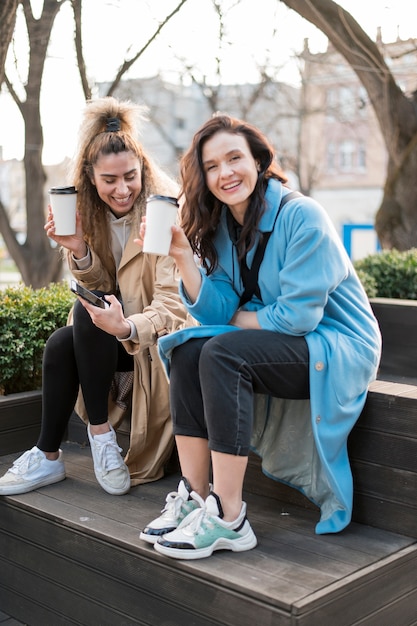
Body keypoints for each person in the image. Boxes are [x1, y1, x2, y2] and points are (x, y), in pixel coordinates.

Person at [136, 113, 382, 560]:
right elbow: (216, 310)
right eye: (212, 166)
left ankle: (230, 518)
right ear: (203, 178)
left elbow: (297, 318)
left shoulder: (302, 215)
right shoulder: (227, 229)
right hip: (285, 343)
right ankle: (195, 498)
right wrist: (183, 259)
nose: (225, 172)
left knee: (222, 351)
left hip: (335, 345)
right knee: (190, 349)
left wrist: (237, 320)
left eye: (235, 158)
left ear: (259, 161)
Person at [0, 96, 191, 497]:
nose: (122, 189)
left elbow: (174, 306)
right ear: (90, 178)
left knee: (77, 326)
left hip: (154, 346)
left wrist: (127, 325)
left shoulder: (165, 214)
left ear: (144, 169)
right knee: (65, 335)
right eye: (109, 180)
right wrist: (80, 249)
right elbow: (99, 285)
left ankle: (80, 442)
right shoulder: (92, 215)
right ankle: (63, 450)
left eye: (130, 176)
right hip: (103, 342)